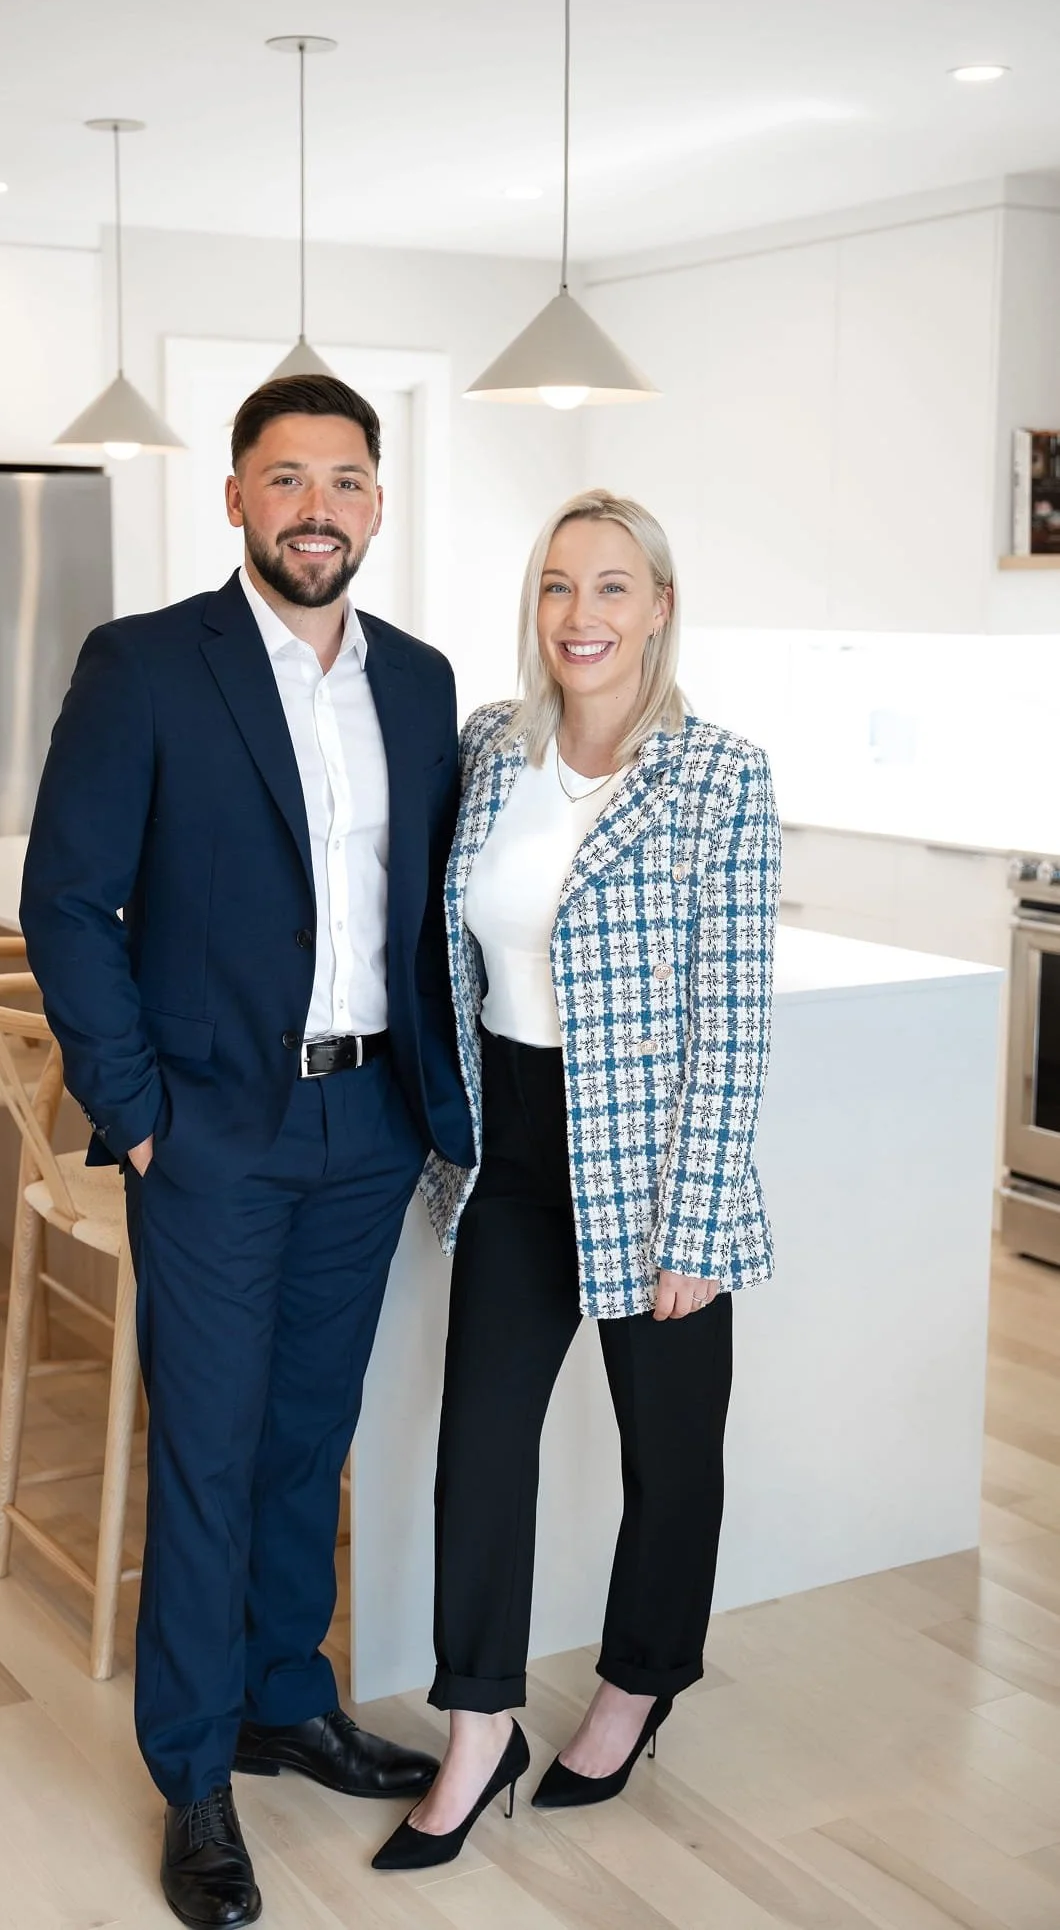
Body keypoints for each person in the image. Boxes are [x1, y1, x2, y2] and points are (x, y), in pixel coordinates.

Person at [21, 373, 474, 1928]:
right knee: (208, 1452)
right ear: (235, 497)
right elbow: (68, 903)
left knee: (307, 1434)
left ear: (379, 503)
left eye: (347, 480)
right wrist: (140, 1115)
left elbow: (423, 907)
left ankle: (289, 1692)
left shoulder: (419, 682)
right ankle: (196, 1770)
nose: (317, 509)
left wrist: (433, 1102)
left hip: (370, 1120)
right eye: (287, 480)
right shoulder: (147, 665)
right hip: (212, 1127)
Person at [373, 489, 781, 1872]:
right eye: (558, 587)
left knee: (670, 1461)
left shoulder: (719, 774)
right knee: (476, 1447)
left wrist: (701, 1211)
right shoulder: (495, 748)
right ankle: (478, 1721)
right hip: (511, 1154)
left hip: (652, 1160)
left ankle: (639, 1677)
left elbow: (735, 1016)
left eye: (613, 588)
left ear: (659, 606)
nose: (582, 616)